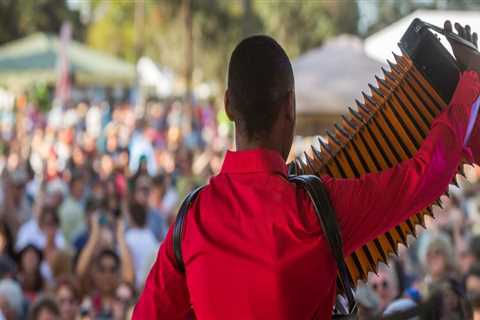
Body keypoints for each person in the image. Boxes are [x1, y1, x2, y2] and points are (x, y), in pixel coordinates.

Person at [134, 22, 480, 319]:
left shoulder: (192, 219)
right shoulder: (315, 209)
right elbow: (424, 177)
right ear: (290, 106)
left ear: (227, 105)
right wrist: (469, 82)